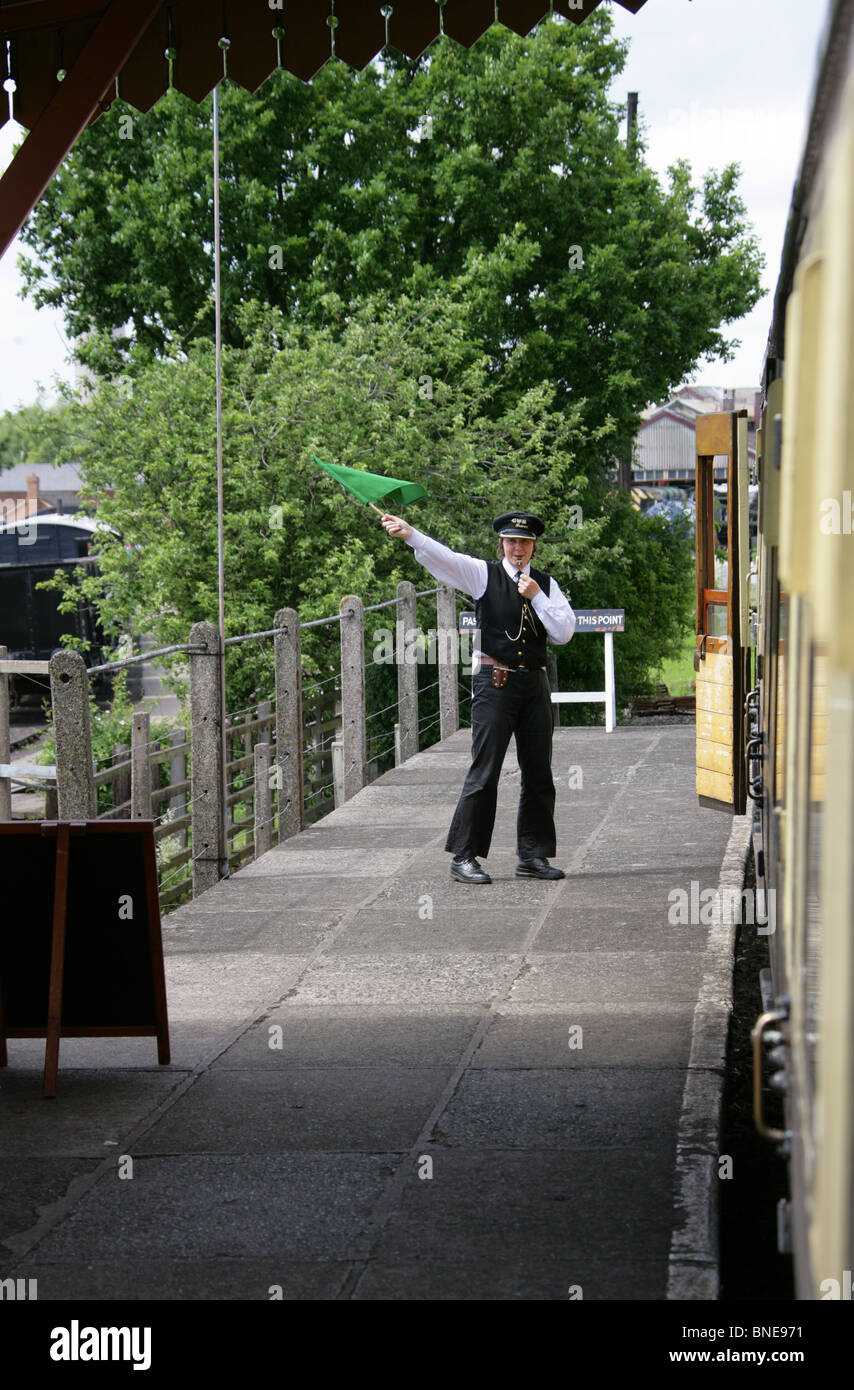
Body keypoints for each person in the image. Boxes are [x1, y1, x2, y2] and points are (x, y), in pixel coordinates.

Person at [381, 509, 576, 883]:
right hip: (495, 681)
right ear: (501, 544)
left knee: (539, 772)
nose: (518, 548)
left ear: (534, 547)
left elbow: (563, 632)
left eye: (525, 542)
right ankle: (464, 855)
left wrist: (536, 596)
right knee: (485, 769)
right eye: (511, 541)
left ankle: (533, 857)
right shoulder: (482, 574)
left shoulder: (546, 585)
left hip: (535, 685)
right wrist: (411, 535)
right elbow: (445, 559)